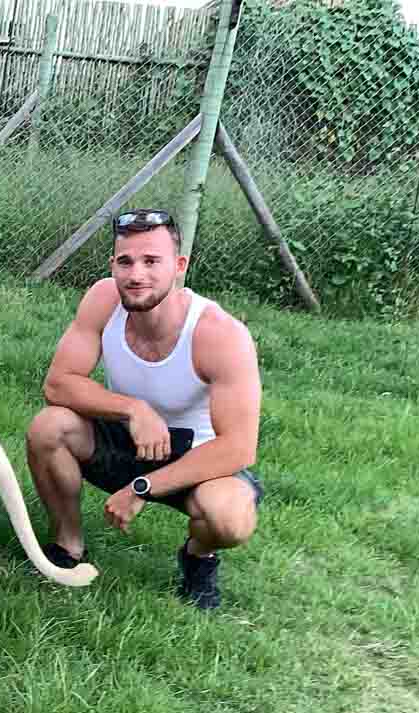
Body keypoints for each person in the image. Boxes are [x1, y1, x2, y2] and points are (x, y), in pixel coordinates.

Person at [24, 208, 263, 610]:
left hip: (194, 459)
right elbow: (58, 383)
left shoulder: (220, 334)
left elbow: (239, 448)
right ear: (112, 265)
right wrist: (134, 409)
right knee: (49, 427)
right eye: (126, 261)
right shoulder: (103, 299)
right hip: (126, 440)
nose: (136, 274)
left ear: (179, 266)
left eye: (152, 261)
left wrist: (143, 488)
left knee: (230, 518)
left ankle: (198, 556)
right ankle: (67, 545)